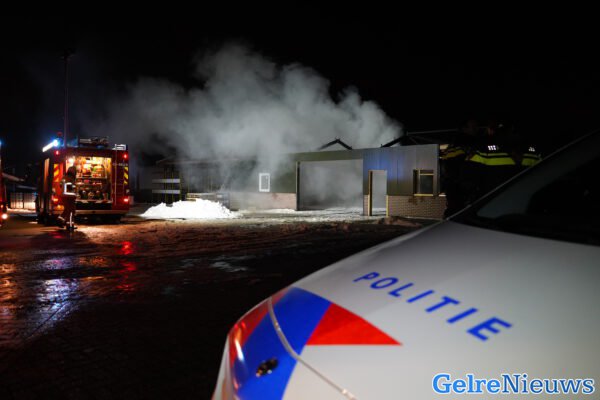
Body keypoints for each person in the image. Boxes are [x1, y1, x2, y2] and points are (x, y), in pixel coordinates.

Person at [460, 119, 541, 204]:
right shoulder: (531, 150)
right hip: (518, 202)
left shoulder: (484, 150)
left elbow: (468, 181)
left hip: (498, 203)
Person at [441, 118, 480, 217]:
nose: (476, 129)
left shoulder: (452, 145)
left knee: (454, 212)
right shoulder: (472, 144)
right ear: (464, 128)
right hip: (465, 188)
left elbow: (445, 168)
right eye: (473, 127)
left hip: (452, 187)